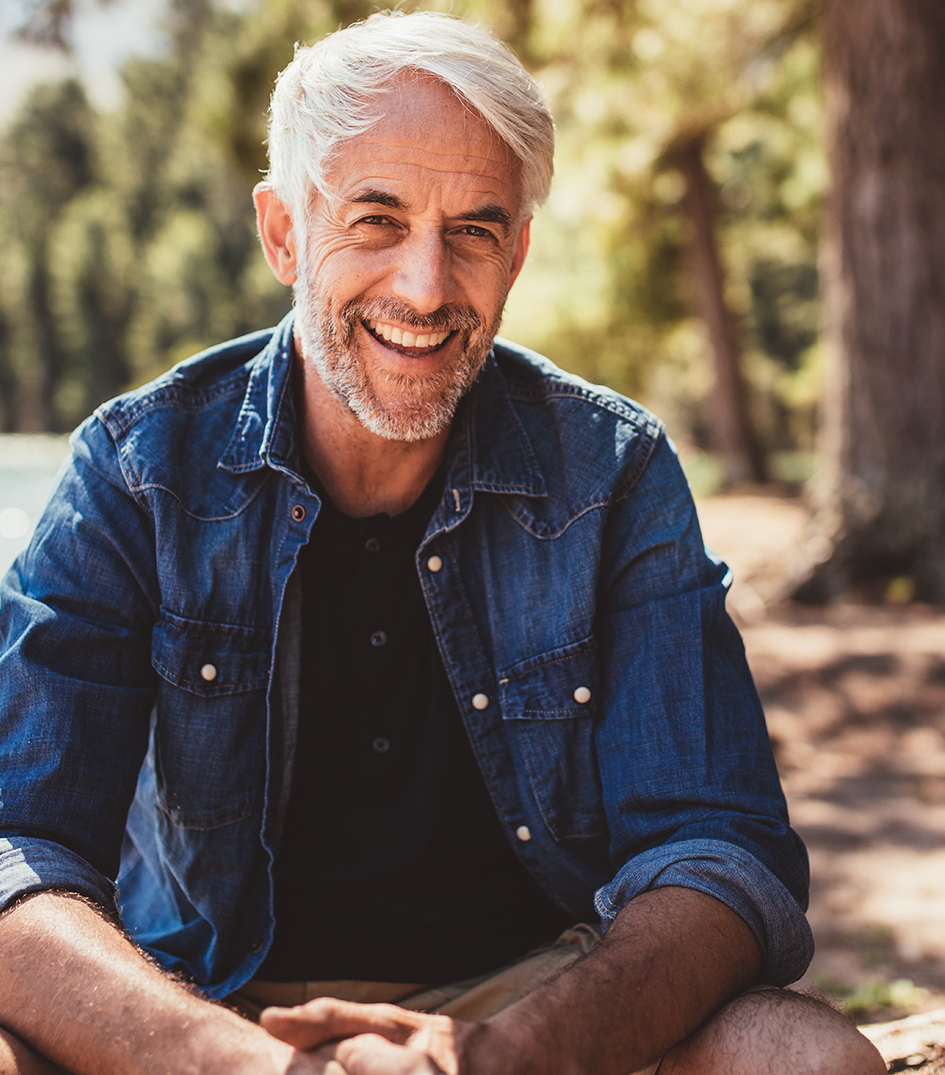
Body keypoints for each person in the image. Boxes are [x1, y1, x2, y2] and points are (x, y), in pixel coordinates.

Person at [0, 11, 886, 1075]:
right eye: (375, 220)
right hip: (202, 1004)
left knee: (797, 1054)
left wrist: (506, 1052)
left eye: (473, 228)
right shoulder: (139, 469)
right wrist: (236, 1064)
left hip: (531, 997)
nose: (425, 287)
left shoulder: (613, 473)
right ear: (283, 233)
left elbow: (715, 844)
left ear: (516, 250)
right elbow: (20, 845)